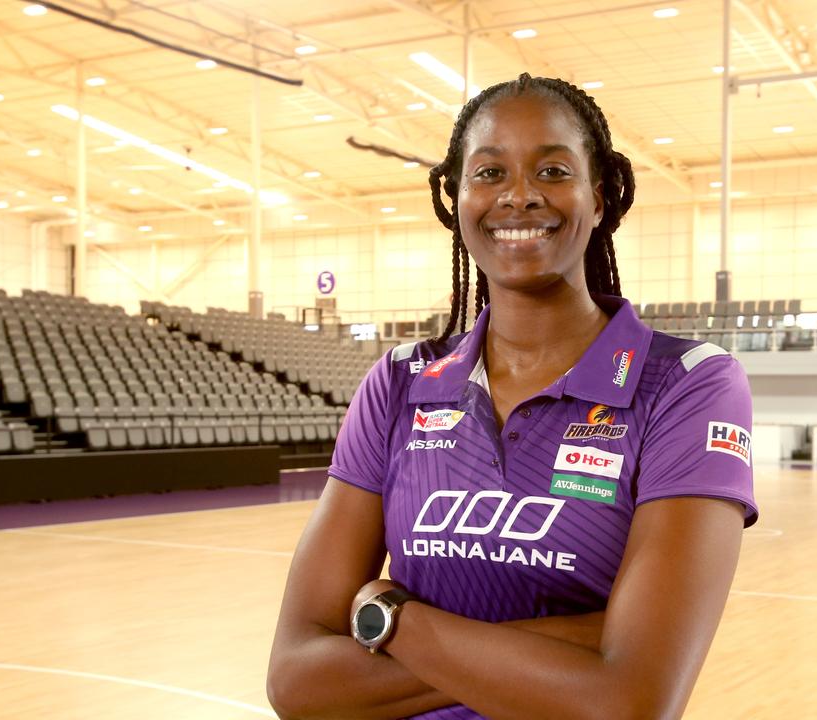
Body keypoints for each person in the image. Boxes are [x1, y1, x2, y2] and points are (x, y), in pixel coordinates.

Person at [267, 73, 758, 720]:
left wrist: (393, 621)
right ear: (457, 196)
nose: (520, 196)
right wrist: (584, 646)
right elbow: (298, 680)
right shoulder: (398, 383)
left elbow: (632, 702)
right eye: (489, 173)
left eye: (553, 170)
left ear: (601, 195)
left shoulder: (688, 382)